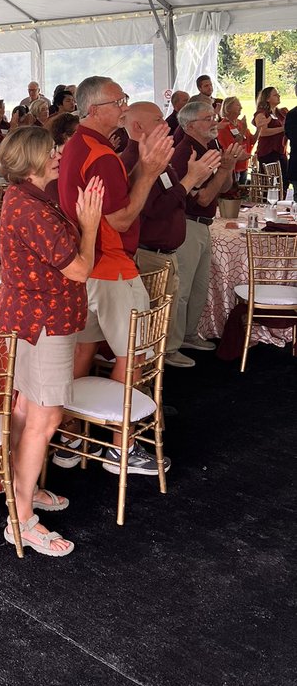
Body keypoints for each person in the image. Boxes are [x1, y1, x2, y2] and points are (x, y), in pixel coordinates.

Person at [0, 126, 104, 556]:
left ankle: (20, 490)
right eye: (51, 150)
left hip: (33, 321)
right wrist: (89, 226)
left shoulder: (25, 198)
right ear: (31, 160)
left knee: (26, 410)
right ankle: (20, 521)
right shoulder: (33, 208)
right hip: (46, 325)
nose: (59, 154)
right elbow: (79, 269)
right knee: (45, 419)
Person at [57, 76, 173, 475]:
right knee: (133, 355)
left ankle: (70, 436)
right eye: (117, 100)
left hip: (84, 266)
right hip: (112, 267)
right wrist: (149, 171)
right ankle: (119, 449)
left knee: (83, 350)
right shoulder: (102, 156)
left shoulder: (78, 146)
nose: (124, 106)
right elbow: (121, 220)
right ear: (94, 111)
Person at [121, 103, 221, 370]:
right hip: (150, 250)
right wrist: (190, 180)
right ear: (138, 127)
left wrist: (192, 179)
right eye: (158, 120)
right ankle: (153, 371)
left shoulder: (158, 156)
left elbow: (174, 196)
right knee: (150, 320)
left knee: (172, 303)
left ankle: (165, 358)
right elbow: (155, 208)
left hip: (165, 248)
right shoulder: (133, 160)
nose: (166, 125)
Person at [169, 98, 241, 355]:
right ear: (189, 126)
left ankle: (189, 334)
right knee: (183, 290)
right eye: (207, 118)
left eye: (213, 116)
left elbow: (224, 189)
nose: (214, 122)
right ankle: (171, 346)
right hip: (187, 225)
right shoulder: (185, 153)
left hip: (203, 224)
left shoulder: (209, 145)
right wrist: (224, 169)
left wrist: (227, 168)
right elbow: (203, 198)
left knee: (199, 287)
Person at [253, 86, 288, 179]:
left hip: (281, 150)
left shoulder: (282, 112)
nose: (279, 96)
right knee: (270, 182)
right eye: (275, 95)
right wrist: (283, 129)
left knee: (285, 180)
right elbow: (263, 132)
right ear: (267, 98)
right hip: (268, 151)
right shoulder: (261, 113)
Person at [217, 97, 253, 184]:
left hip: (244, 165)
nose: (241, 107)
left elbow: (251, 141)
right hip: (232, 168)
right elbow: (231, 148)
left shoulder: (240, 123)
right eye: (237, 105)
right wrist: (243, 130)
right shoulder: (223, 126)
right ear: (228, 108)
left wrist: (260, 128)